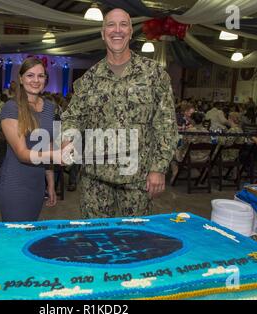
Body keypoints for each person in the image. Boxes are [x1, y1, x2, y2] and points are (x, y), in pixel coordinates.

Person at [61, 8, 178, 219]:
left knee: (135, 241)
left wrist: (159, 168)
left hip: (137, 180)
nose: (117, 30)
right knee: (95, 240)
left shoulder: (153, 74)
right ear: (102, 32)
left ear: (131, 32)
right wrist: (67, 140)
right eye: (111, 25)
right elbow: (73, 116)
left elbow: (166, 124)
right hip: (95, 181)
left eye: (123, 24)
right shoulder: (90, 78)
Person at [0, 57, 61, 222]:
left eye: (41, 76)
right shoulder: (11, 108)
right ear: (20, 78)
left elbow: (48, 147)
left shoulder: (50, 107)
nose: (36, 80)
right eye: (30, 75)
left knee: (30, 233)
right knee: (16, 237)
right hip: (15, 183)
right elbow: (22, 153)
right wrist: (56, 155)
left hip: (37, 185)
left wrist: (51, 184)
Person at [170, 112, 210, 183]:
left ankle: (175, 173)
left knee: (172, 155)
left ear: (193, 120)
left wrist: (177, 149)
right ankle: (199, 174)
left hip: (190, 158)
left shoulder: (190, 131)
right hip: (203, 158)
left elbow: (183, 145)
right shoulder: (207, 132)